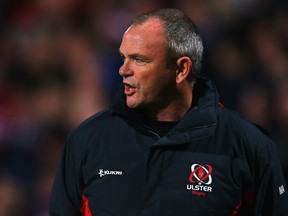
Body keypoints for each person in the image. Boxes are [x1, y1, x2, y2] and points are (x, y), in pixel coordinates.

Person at [49, 8, 288, 215]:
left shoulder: (247, 146)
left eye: (139, 59)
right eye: (123, 57)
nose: (123, 70)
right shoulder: (87, 141)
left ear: (181, 69)